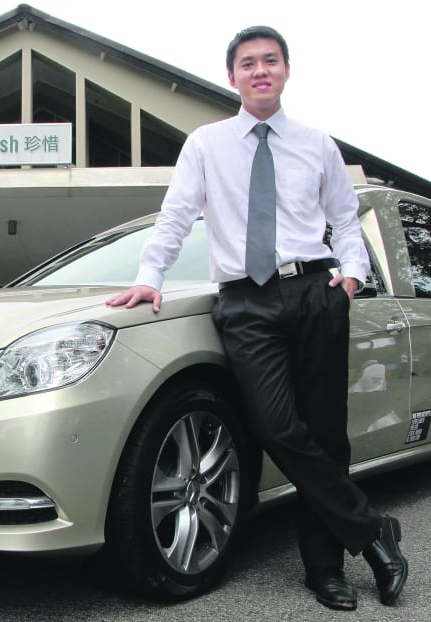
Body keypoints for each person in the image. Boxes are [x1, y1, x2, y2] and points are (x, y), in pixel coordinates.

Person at [106, 25, 407, 610]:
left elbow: (345, 222)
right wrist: (149, 278)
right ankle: (373, 530)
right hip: (245, 301)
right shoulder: (206, 144)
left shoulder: (317, 144)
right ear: (233, 77)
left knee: (324, 433)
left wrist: (349, 280)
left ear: (286, 71)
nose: (260, 70)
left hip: (314, 292)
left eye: (271, 60)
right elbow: (174, 218)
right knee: (274, 427)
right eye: (249, 63)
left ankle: (324, 571)